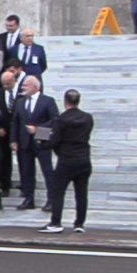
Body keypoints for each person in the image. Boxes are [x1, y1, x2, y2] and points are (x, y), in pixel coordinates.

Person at [41, 89, 94, 233]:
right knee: (81, 193)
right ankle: (79, 224)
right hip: (84, 160)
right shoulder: (88, 118)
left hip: (66, 160)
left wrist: (40, 136)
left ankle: (56, 222)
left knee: (58, 193)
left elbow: (52, 142)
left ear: (65, 102)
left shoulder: (61, 119)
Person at [10, 75, 56, 210]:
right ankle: (29, 199)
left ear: (36, 87)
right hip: (24, 142)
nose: (23, 87)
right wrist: (13, 140)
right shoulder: (20, 102)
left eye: (26, 85)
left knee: (47, 171)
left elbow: (55, 120)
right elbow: (15, 121)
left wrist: (38, 130)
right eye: (23, 84)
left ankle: (52, 200)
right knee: (26, 172)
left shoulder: (47, 101)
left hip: (42, 140)